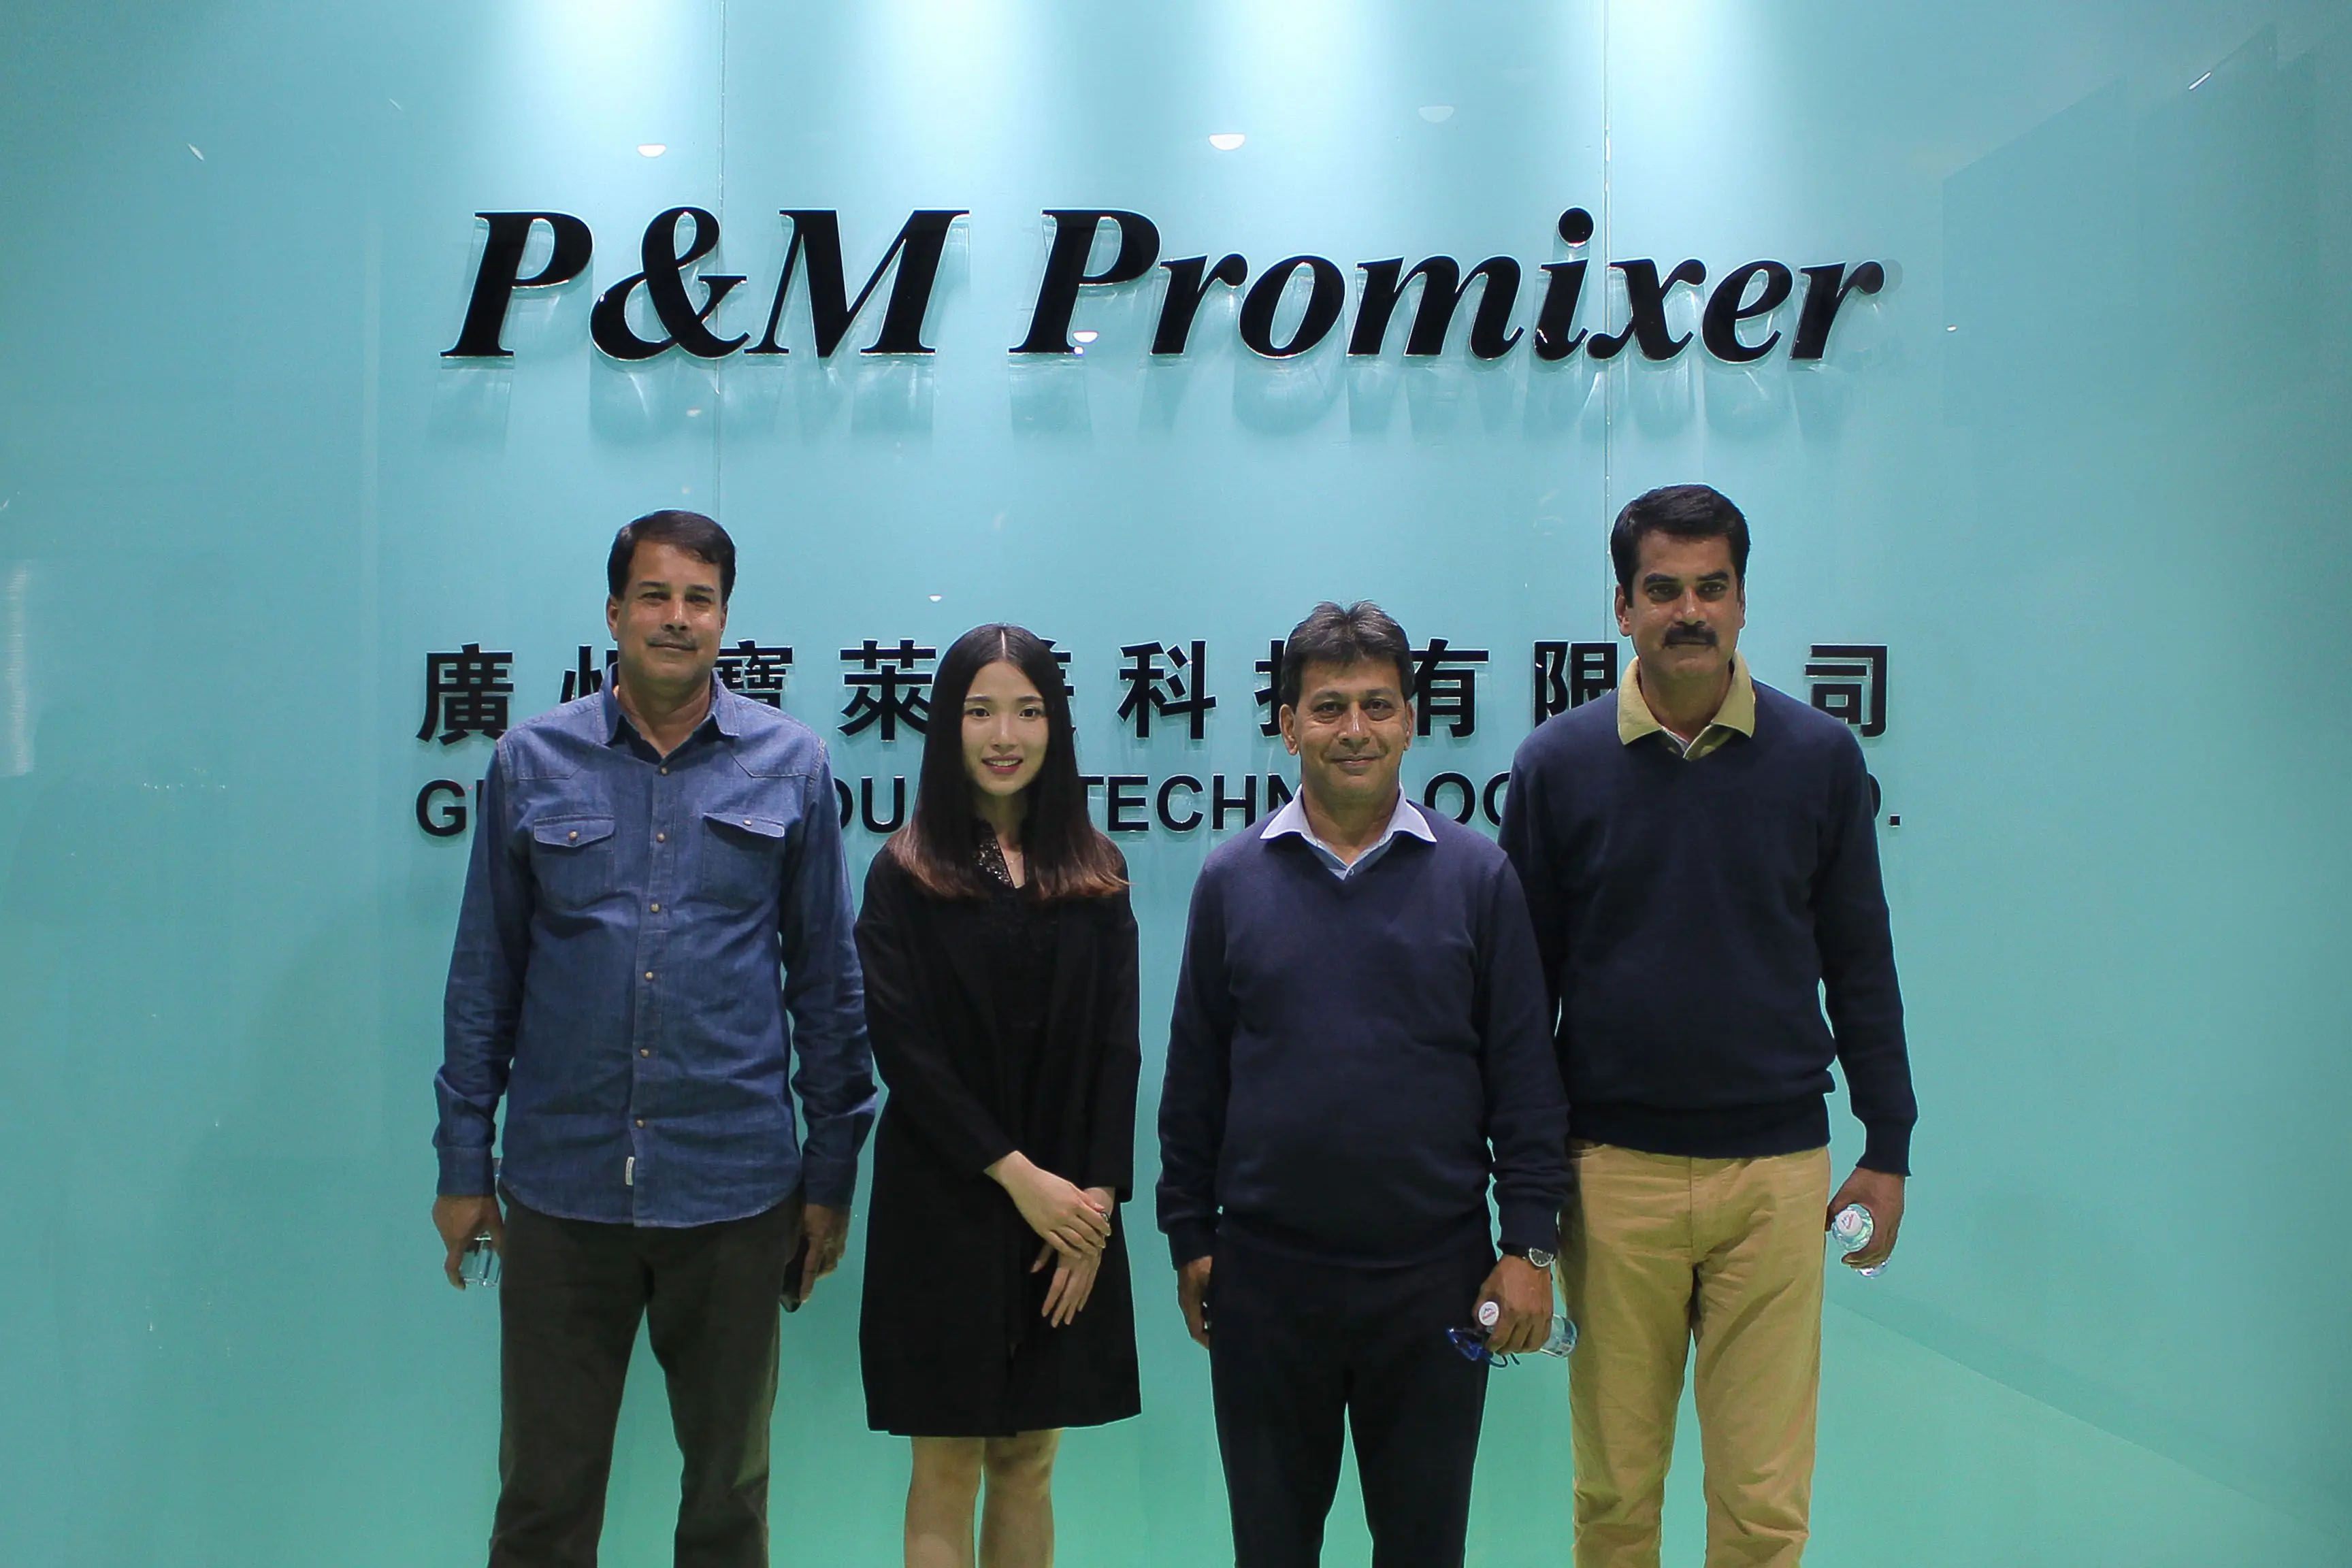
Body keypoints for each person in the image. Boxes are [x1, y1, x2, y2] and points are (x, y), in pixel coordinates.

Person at [432, 510, 876, 1568]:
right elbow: (485, 977)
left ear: (724, 617)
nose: (677, 618)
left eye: (699, 599)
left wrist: (830, 1178)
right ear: (614, 613)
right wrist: (462, 1164)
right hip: (561, 1190)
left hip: (735, 1193)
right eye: (656, 596)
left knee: (728, 1500)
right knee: (542, 1502)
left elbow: (827, 985)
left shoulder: (791, 766)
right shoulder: (531, 762)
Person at [1499, 483, 1918, 1568]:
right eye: (1663, 590)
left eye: (1711, 588)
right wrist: (1525, 1208)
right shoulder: (1557, 765)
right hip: (1612, 1178)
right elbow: (1519, 1005)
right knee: (1614, 1497)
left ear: (1741, 601)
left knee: (1764, 1507)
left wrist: (1888, 1146)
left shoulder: (1819, 757)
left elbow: (1860, 961)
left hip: (1775, 1180)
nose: (1689, 611)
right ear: (1623, 607)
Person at [1157, 601, 1570, 1568]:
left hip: (1434, 1280)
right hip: (1266, 1280)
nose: (1355, 729)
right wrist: (1191, 1237)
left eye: (1378, 706)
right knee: (1271, 1549)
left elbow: (1524, 1076)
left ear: (1411, 721)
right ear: (1288, 724)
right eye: (1329, 706)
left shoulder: (1478, 878)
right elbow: (1196, 1076)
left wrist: (1530, 1245)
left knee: (1424, 1550)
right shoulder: (1232, 879)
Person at [855, 624, 1143, 1568]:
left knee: (1029, 1460)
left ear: (1057, 725)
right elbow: (906, 1055)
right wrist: (1020, 1180)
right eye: (981, 712)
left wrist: (1093, 1208)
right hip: (945, 1200)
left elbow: (1118, 1050)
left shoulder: (1096, 870)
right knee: (947, 1463)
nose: (1005, 735)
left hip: (1069, 1213)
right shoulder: (905, 873)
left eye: (1028, 711)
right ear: (948, 725)